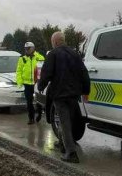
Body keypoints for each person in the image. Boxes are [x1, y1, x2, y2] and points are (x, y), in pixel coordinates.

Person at [38, 31, 90, 163]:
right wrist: (86, 91)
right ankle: (63, 143)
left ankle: (71, 153)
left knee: (64, 122)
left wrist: (40, 86)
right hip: (74, 94)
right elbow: (84, 73)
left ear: (55, 42)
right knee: (68, 121)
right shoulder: (75, 54)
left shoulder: (53, 54)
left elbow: (46, 73)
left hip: (59, 94)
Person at [16, 41, 45, 125]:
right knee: (29, 102)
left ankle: (39, 114)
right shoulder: (22, 59)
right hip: (27, 84)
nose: (27, 50)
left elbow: (43, 70)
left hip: (37, 83)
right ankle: (31, 118)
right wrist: (20, 83)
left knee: (39, 102)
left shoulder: (40, 57)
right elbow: (19, 71)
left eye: (29, 48)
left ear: (33, 48)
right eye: (25, 49)